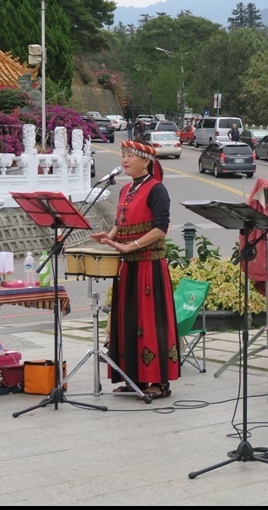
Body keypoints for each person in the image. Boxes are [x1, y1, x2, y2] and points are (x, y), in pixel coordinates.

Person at [90, 139, 179, 400]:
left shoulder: (157, 189)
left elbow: (160, 228)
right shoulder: (126, 189)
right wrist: (110, 236)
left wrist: (132, 246)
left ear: (146, 161)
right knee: (128, 320)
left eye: (130, 155)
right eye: (123, 155)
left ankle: (158, 382)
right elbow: (121, 222)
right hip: (127, 266)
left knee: (149, 322)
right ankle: (133, 378)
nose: (125, 160)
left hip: (149, 265)